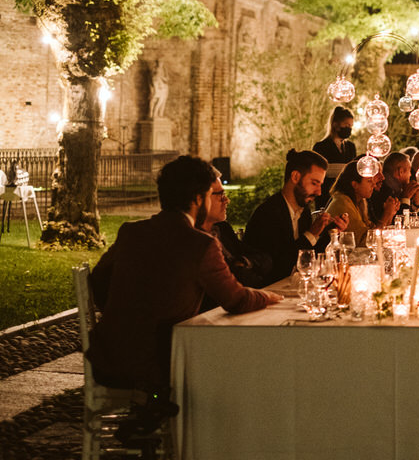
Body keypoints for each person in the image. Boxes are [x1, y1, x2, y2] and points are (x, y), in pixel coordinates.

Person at [88, 156, 282, 391]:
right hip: (161, 364)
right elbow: (237, 300)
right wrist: (271, 297)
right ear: (199, 199)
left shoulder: (132, 231)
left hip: (108, 355)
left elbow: (97, 280)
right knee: (243, 364)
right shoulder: (201, 245)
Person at [243, 150, 349, 284]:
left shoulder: (303, 212)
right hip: (265, 292)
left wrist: (332, 233)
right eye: (314, 183)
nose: (319, 192)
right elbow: (278, 267)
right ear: (295, 177)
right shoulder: (268, 214)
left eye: (320, 185)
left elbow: (310, 257)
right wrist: (311, 234)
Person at [196, 172, 270, 293]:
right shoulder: (197, 242)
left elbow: (265, 259)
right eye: (220, 195)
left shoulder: (222, 229)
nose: (227, 200)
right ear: (200, 199)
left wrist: (243, 262)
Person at [325, 161, 400, 246]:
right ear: (355, 184)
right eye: (369, 181)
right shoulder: (343, 203)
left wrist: (390, 214)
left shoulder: (360, 201)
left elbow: (372, 229)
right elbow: (364, 242)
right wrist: (387, 214)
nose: (373, 184)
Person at [313, 106, 357, 208]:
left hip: (345, 196)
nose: (349, 128)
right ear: (336, 124)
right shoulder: (321, 146)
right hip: (326, 195)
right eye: (346, 125)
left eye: (351, 126)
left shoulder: (351, 147)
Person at [370, 152, 419, 222]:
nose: (410, 175)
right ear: (401, 172)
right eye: (409, 170)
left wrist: (416, 203)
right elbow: (400, 222)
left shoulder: (396, 188)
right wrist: (405, 198)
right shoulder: (384, 189)